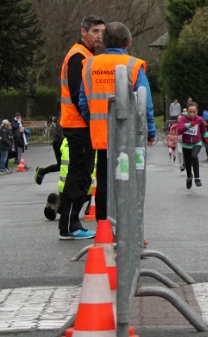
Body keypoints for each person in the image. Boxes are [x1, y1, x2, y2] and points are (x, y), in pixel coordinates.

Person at [81, 22, 157, 224]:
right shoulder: (134, 65)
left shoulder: (90, 65)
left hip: (101, 135)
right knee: (127, 180)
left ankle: (104, 226)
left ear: (104, 42)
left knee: (104, 181)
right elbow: (145, 104)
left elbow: (83, 102)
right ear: (128, 42)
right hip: (127, 135)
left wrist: (93, 121)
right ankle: (126, 226)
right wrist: (150, 131)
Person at [58, 15, 104, 240]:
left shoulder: (86, 54)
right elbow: (78, 95)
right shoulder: (79, 56)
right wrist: (90, 119)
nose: (100, 36)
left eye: (102, 31)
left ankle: (70, 223)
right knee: (79, 174)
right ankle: (69, 225)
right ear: (83, 32)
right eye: (95, 31)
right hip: (78, 123)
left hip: (79, 123)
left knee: (83, 173)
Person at [175, 102, 208, 189]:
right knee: (187, 162)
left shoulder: (199, 119)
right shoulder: (183, 119)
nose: (192, 114)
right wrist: (189, 125)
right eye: (190, 112)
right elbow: (179, 130)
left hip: (197, 142)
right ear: (187, 111)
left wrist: (207, 138)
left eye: (194, 112)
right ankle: (189, 177)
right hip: (186, 144)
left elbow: (203, 129)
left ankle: (197, 178)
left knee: (194, 156)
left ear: (197, 111)